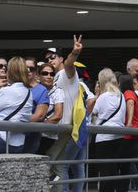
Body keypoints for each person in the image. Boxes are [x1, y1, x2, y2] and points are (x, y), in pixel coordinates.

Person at [47, 37, 93, 192]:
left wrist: (74, 53)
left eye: (53, 57)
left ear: (61, 58)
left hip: (69, 129)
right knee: (74, 166)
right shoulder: (55, 77)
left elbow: (69, 65)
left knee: (61, 166)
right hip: (70, 129)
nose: (50, 60)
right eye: (47, 58)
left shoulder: (66, 74)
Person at [0, 56, 33, 153]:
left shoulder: (6, 91)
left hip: (1, 139)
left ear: (10, 71)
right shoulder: (29, 92)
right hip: (19, 142)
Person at [92, 68, 128, 192]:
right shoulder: (121, 96)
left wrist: (96, 95)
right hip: (119, 137)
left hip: (104, 138)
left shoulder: (102, 97)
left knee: (105, 172)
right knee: (114, 171)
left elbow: (93, 113)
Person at [119, 73, 138, 190]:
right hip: (136, 131)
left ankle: (129, 187)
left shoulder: (128, 93)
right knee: (131, 162)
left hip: (130, 133)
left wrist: (128, 123)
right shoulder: (134, 93)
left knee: (127, 164)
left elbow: (130, 103)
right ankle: (135, 187)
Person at [22, 56, 50, 153]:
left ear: (36, 70)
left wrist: (18, 120)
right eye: (25, 68)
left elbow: (40, 116)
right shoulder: (15, 86)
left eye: (32, 68)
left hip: (30, 137)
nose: (28, 71)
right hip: (12, 135)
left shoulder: (42, 90)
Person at [37, 62, 64, 155]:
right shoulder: (34, 89)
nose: (49, 76)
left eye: (52, 74)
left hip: (47, 136)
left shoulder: (58, 92)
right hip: (32, 134)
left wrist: (39, 127)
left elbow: (58, 115)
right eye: (45, 73)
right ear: (38, 76)